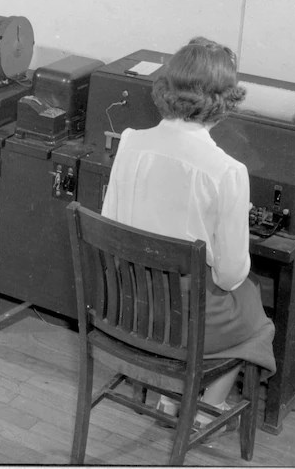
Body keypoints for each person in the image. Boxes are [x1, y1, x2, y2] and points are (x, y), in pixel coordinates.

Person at [100, 37, 276, 427]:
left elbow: (110, 224)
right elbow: (230, 274)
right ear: (225, 100)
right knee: (257, 318)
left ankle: (168, 398)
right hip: (184, 320)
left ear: (166, 89)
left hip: (131, 306)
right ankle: (205, 411)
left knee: (205, 293)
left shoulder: (129, 142)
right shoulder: (227, 170)